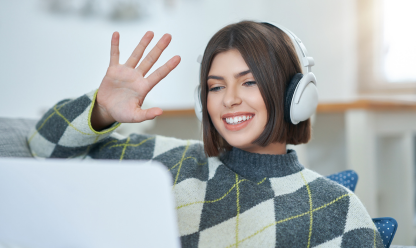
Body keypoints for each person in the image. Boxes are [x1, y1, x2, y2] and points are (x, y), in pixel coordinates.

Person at [27, 21, 383, 247]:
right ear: (203, 102)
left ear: (296, 94)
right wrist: (101, 109)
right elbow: (42, 148)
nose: (229, 99)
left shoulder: (338, 209)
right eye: (215, 87)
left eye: (249, 82)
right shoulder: (165, 162)